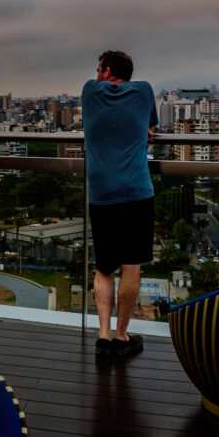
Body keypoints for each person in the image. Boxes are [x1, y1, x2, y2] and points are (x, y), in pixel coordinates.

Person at [82, 50, 157, 357]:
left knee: (104, 268)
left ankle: (103, 333)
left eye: (98, 69)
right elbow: (150, 130)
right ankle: (121, 336)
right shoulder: (144, 91)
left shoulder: (90, 90)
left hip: (101, 194)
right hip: (136, 191)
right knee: (131, 265)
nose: (95, 73)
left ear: (106, 71)